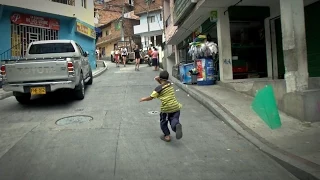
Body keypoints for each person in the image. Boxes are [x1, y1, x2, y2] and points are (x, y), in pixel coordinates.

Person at [140, 70, 183, 142]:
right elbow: (163, 84)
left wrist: (144, 99)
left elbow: (151, 97)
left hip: (166, 109)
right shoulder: (169, 83)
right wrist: (159, 79)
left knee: (163, 122)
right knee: (174, 119)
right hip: (176, 107)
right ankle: (176, 126)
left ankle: (167, 136)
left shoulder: (158, 89)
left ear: (160, 79)